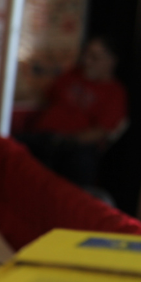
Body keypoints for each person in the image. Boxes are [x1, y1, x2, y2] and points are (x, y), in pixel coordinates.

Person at [17, 35, 128, 188]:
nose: (87, 61)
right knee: (8, 146)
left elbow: (102, 130)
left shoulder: (115, 92)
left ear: (111, 61)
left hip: (71, 146)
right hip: (42, 136)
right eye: (86, 54)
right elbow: (44, 95)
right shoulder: (72, 74)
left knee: (79, 162)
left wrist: (66, 140)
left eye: (94, 57)